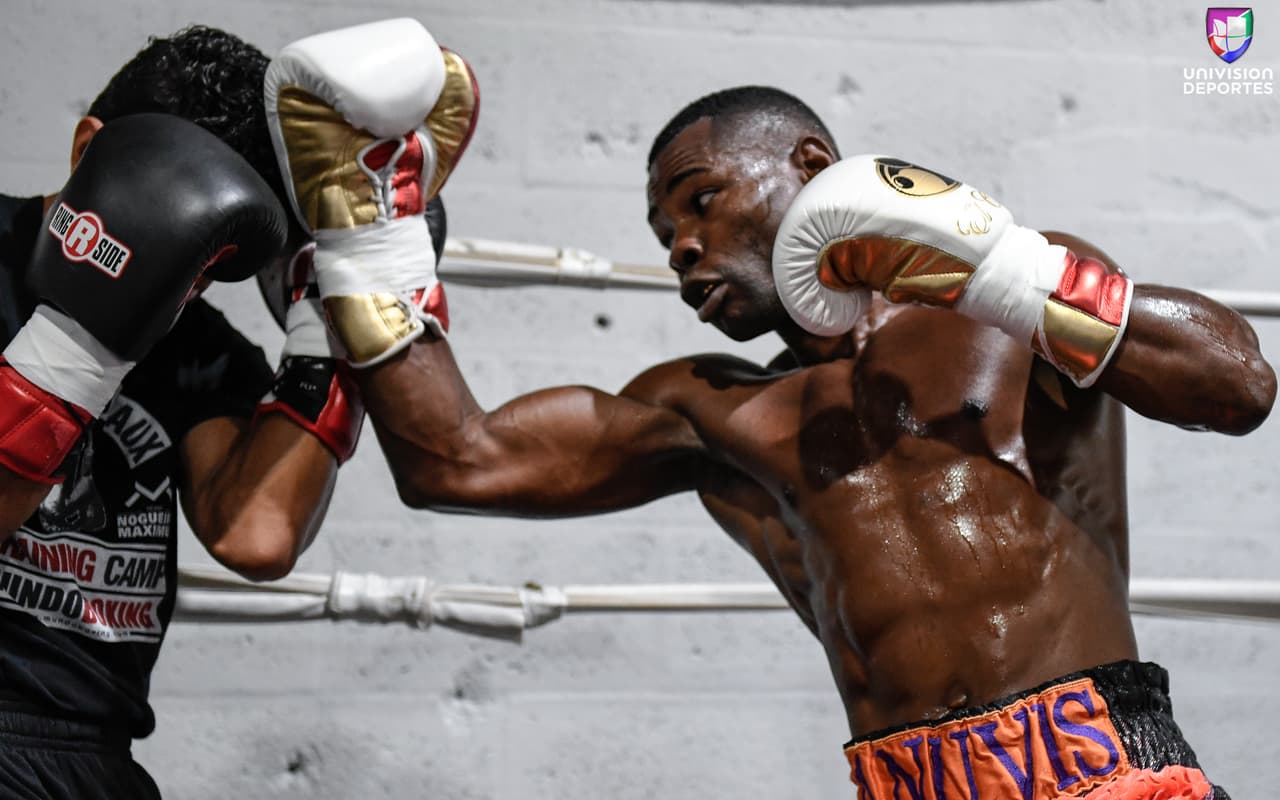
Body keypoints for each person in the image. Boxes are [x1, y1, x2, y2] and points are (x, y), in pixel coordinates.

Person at [273, 28, 1273, 792]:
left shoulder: (1003, 314)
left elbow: (1236, 385)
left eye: (698, 201)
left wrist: (1001, 268)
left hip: (1107, 767)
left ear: (806, 165)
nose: (678, 249)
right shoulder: (709, 410)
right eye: (664, 234)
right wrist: (367, 243)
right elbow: (457, 458)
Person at [0, 27, 365, 799]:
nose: (189, 271)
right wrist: (85, 336)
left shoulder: (198, 343)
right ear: (87, 152)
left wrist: (329, 316)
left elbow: (255, 536)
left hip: (97, 754)